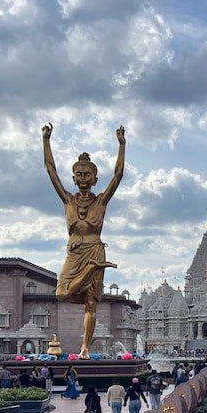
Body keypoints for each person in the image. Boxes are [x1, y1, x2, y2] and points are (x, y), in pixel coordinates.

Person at [43, 122, 125, 358]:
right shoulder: (68, 200)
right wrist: (46, 141)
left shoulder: (101, 202)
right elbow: (51, 170)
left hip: (95, 250)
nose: (82, 178)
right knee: (61, 294)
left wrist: (121, 145)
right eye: (78, 174)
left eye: (87, 174)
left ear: (95, 178)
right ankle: (90, 270)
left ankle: (85, 347)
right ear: (74, 177)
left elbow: (118, 175)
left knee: (91, 303)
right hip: (75, 254)